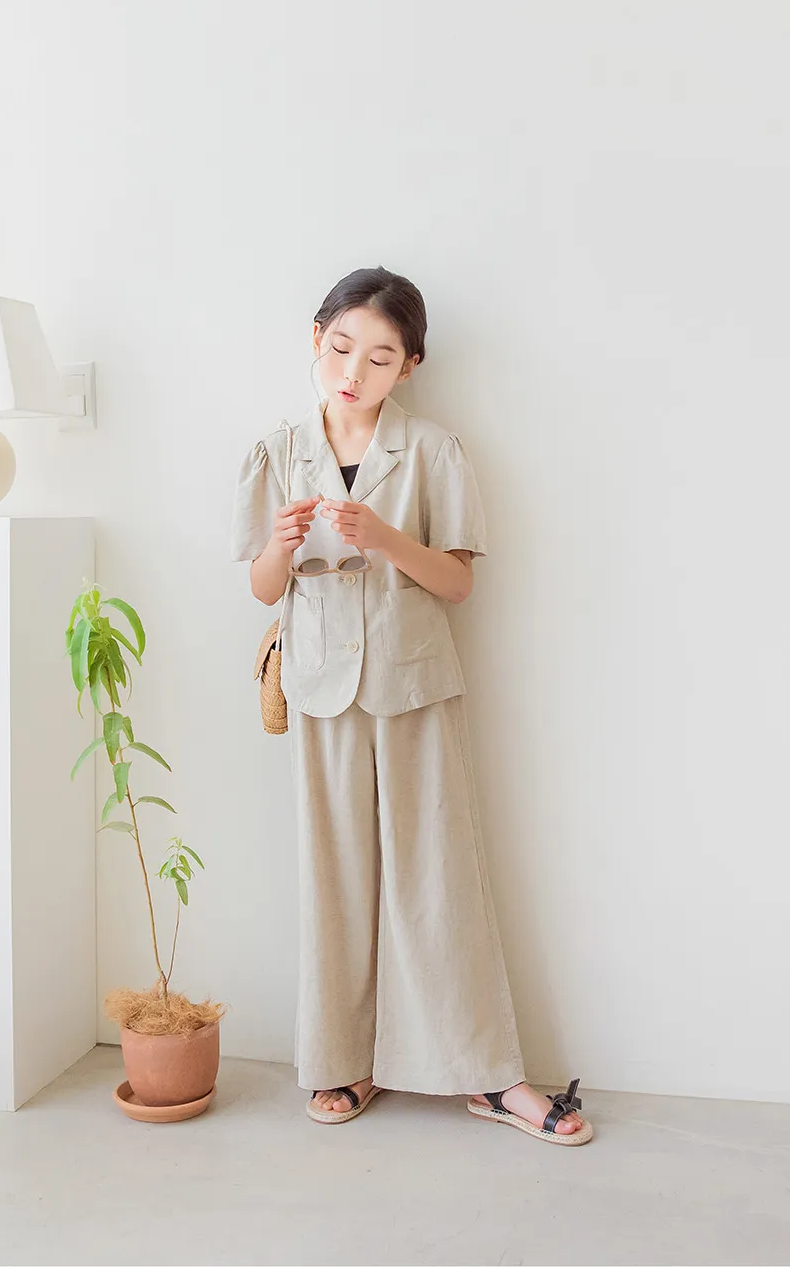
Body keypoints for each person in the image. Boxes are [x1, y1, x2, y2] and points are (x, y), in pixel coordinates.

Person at [231, 267, 592, 1146]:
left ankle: (488, 1076)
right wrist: (280, 545)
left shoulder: (432, 450)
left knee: (437, 877)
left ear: (410, 365)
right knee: (334, 878)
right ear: (315, 339)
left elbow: (458, 584)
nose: (354, 370)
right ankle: (343, 1062)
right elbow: (263, 588)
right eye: (341, 347)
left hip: (414, 679)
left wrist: (387, 538)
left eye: (380, 356)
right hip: (320, 686)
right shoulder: (278, 451)